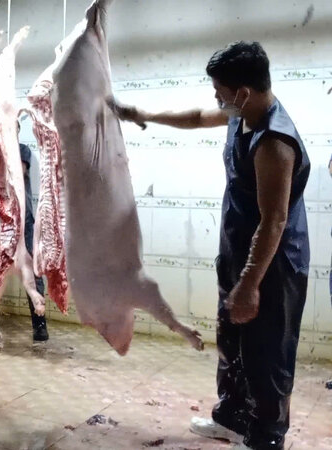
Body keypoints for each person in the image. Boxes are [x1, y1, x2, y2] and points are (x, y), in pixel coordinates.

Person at [111, 41, 309, 450]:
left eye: (220, 91)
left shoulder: (274, 141)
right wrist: (143, 114)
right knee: (233, 342)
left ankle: (266, 439)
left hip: (273, 266)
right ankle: (231, 418)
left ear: (243, 93)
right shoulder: (243, 115)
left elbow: (274, 222)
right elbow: (199, 117)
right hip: (238, 251)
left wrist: (250, 284)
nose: (215, 99)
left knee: (267, 353)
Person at [18, 124, 49, 342]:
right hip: (0, 222)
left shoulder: (22, 150)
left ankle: (40, 325)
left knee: (34, 273)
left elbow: (17, 171)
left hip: (25, 222)